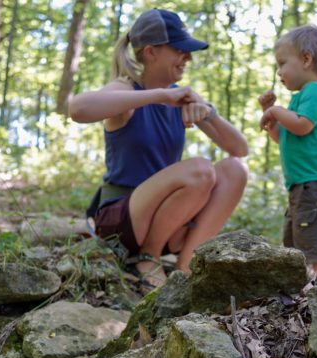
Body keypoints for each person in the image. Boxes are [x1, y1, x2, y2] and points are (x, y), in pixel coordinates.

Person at [70, 8, 248, 288]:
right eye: (180, 49)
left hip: (166, 221)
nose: (188, 57)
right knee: (200, 169)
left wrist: (208, 112)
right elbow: (78, 108)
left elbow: (239, 148)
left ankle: (186, 271)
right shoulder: (127, 88)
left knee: (234, 170)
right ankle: (147, 256)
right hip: (121, 222)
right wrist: (162, 96)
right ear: (151, 52)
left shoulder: (182, 99)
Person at [258, 25, 317, 277]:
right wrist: (270, 115)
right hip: (301, 186)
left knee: (314, 244)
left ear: (306, 59)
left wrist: (276, 111)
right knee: (296, 241)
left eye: (282, 63)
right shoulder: (298, 99)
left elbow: (303, 125)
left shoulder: (315, 91)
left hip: (316, 182)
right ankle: (306, 289)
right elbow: (284, 137)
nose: (279, 71)